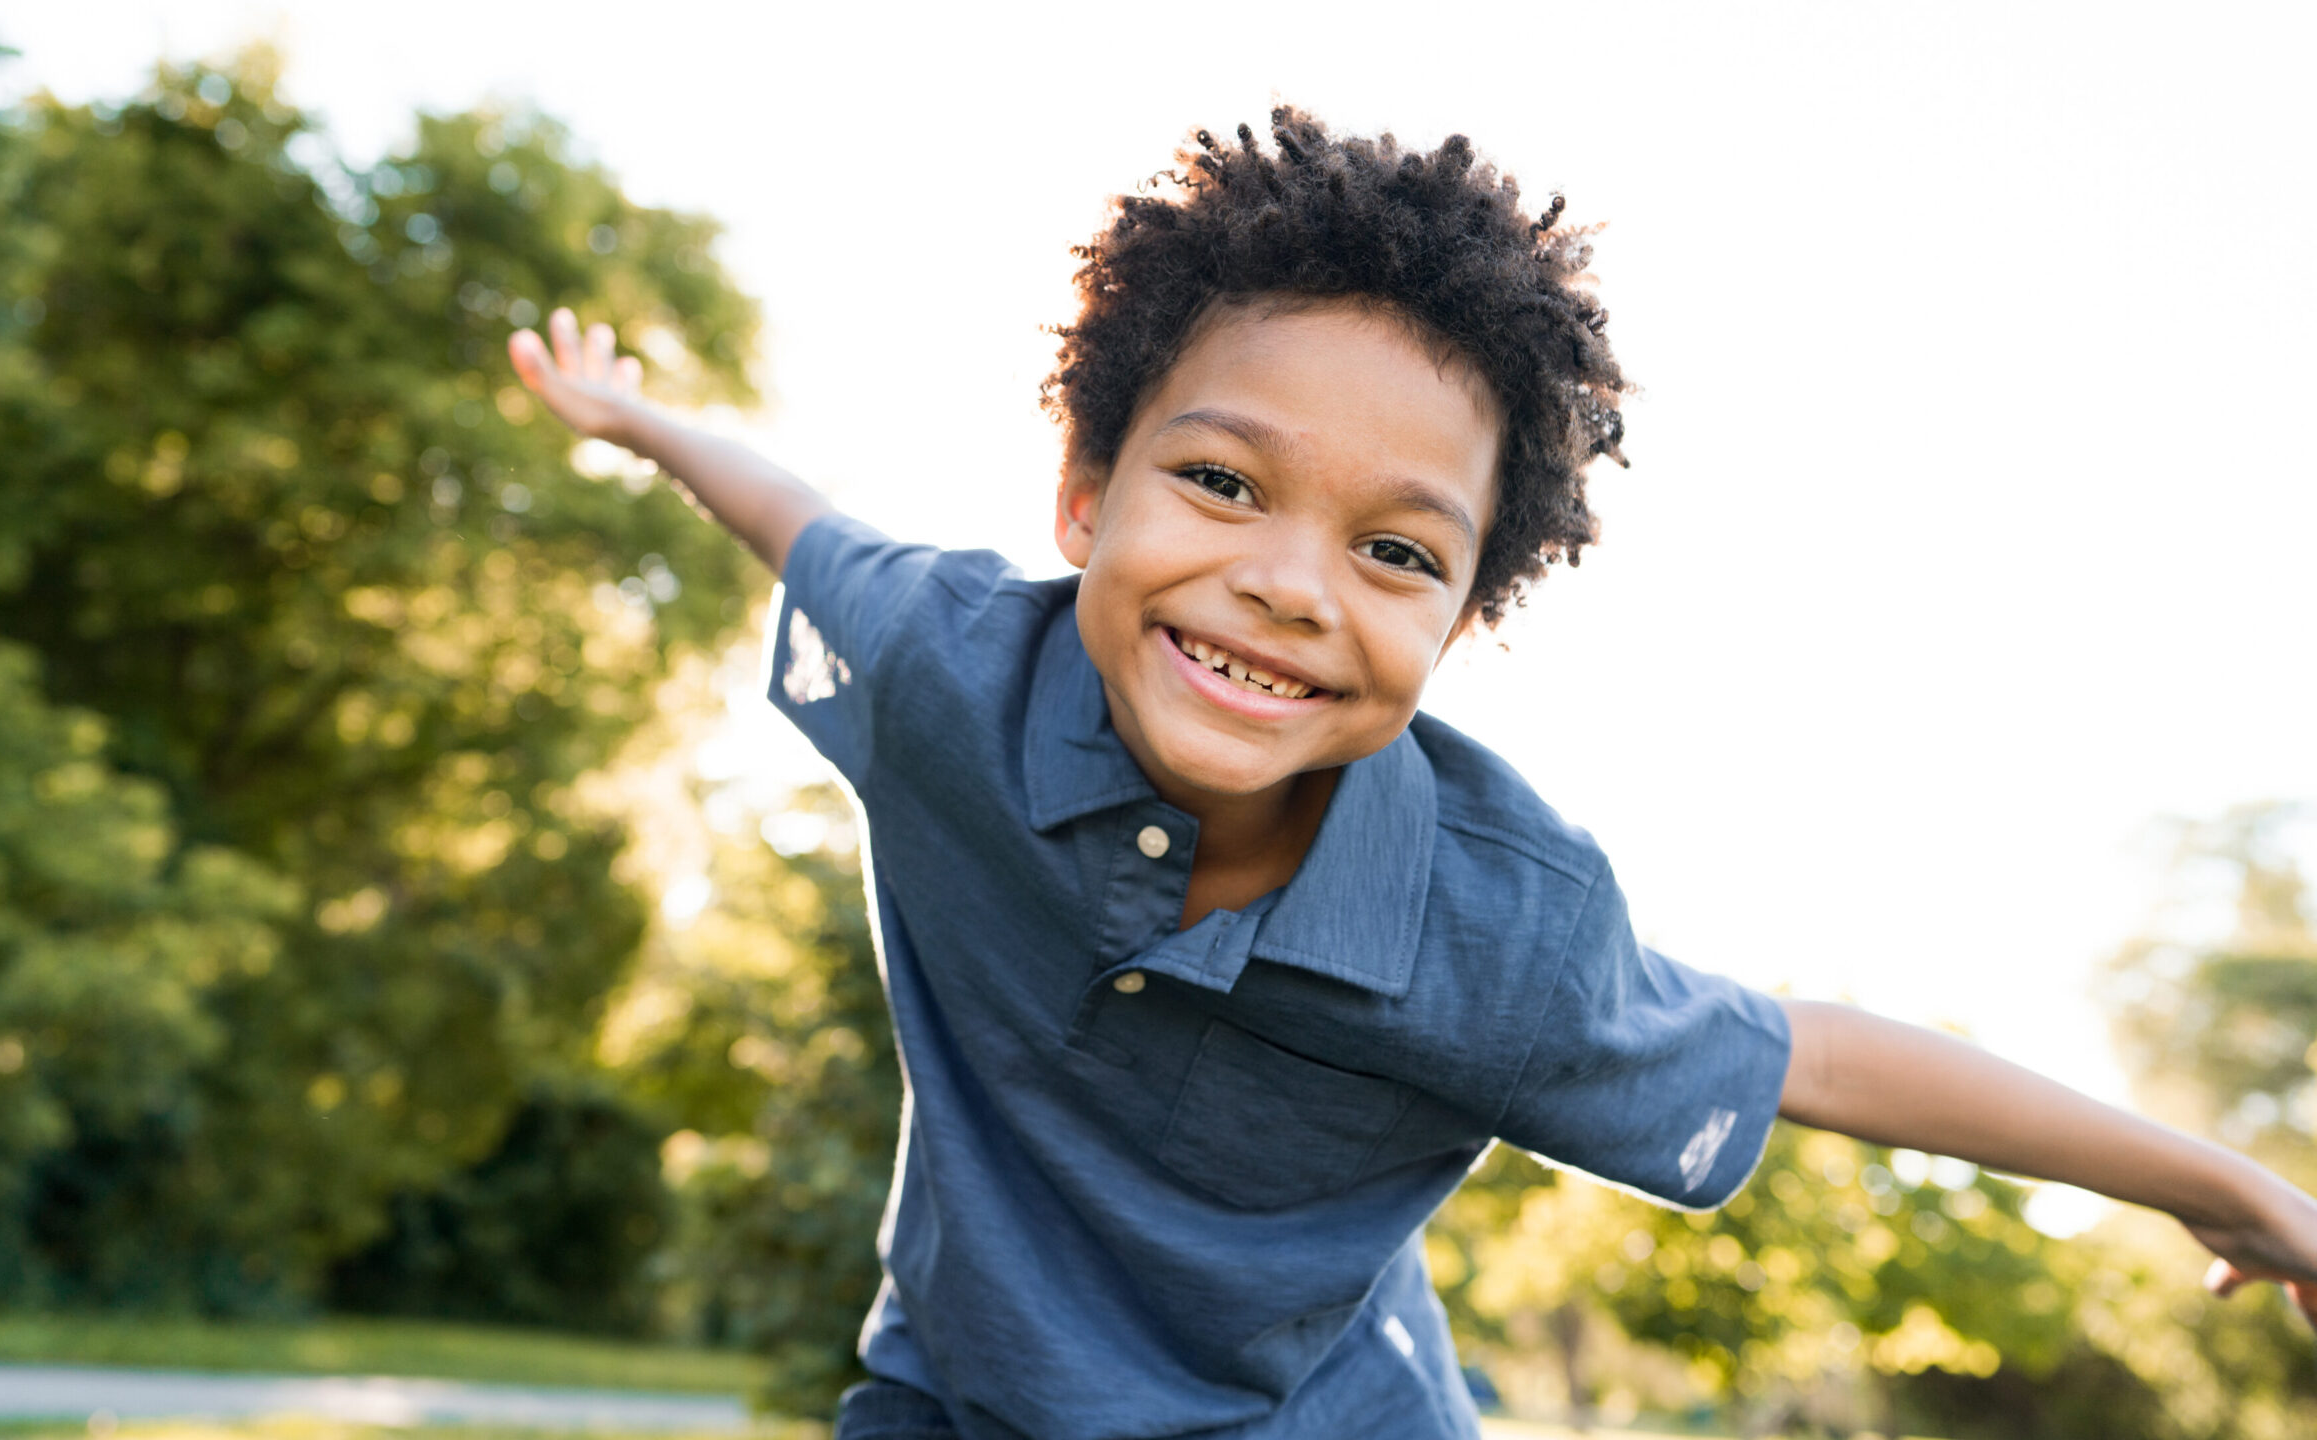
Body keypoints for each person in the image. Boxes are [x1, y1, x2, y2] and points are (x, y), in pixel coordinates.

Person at [509, 108, 2317, 1440]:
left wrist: (2225, 1189)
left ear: (1459, 623)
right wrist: (636, 417)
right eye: (1221, 482)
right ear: (1084, 498)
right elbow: (797, 521)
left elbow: (1813, 1055)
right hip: (956, 1402)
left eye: (1396, 554)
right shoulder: (941, 670)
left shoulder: (1497, 932)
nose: (1291, 583)